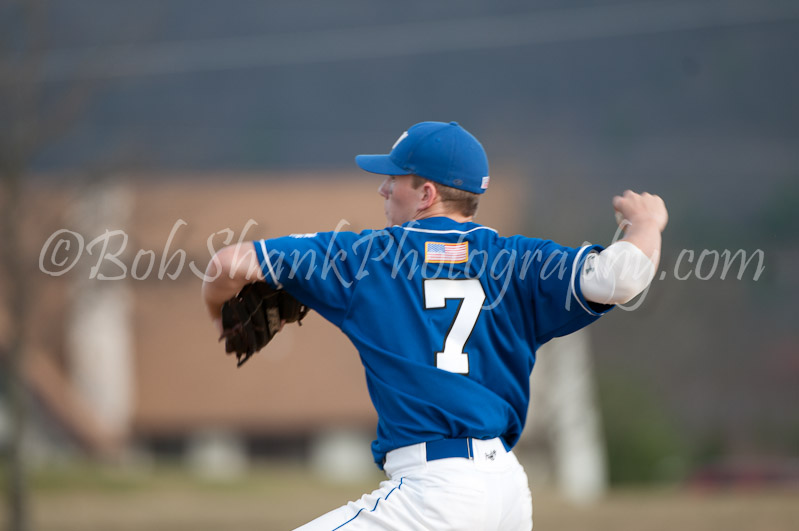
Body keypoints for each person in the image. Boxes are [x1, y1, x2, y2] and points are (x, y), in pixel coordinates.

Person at [202, 121, 668, 530]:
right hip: (504, 489)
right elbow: (622, 278)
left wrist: (219, 315)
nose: (384, 189)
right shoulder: (520, 261)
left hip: (435, 494)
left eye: (395, 179)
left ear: (426, 194)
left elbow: (227, 264)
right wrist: (647, 224)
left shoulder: (365, 259)